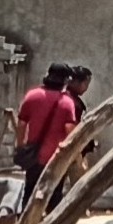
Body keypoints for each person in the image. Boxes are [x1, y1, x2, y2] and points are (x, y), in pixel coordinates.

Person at [14, 63, 74, 203]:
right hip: (56, 159)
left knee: (29, 195)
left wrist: (21, 145)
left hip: (34, 158)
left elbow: (21, 124)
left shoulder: (32, 96)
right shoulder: (67, 103)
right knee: (54, 197)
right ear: (65, 81)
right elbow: (70, 131)